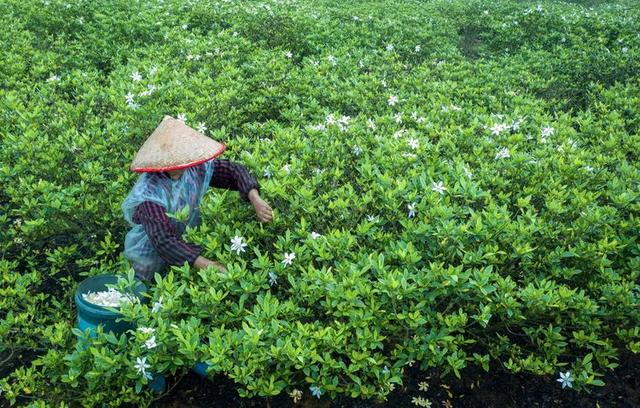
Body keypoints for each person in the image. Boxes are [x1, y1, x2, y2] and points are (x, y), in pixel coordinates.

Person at [121, 115, 273, 281]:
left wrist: (255, 198)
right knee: (144, 289)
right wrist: (209, 266)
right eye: (172, 164)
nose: (179, 167)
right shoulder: (149, 193)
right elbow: (163, 240)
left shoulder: (193, 168)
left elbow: (232, 171)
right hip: (148, 255)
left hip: (184, 245)